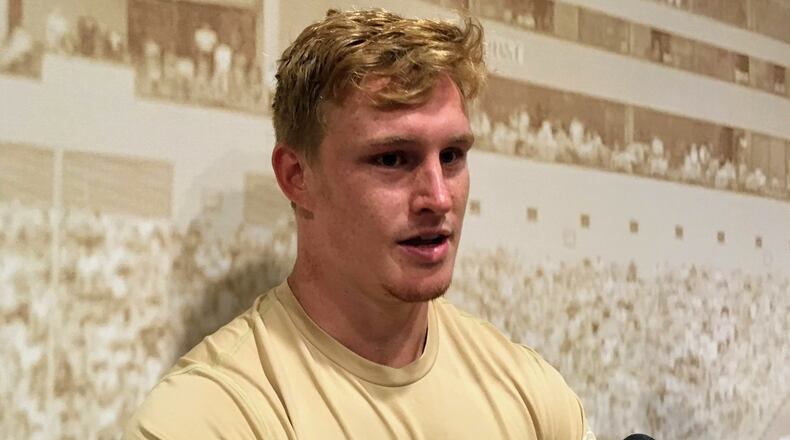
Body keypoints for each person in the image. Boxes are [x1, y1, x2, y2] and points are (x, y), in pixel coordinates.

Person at [124, 9, 595, 439]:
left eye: (451, 156)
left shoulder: (533, 395)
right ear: (297, 176)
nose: (438, 196)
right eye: (392, 158)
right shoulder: (208, 418)